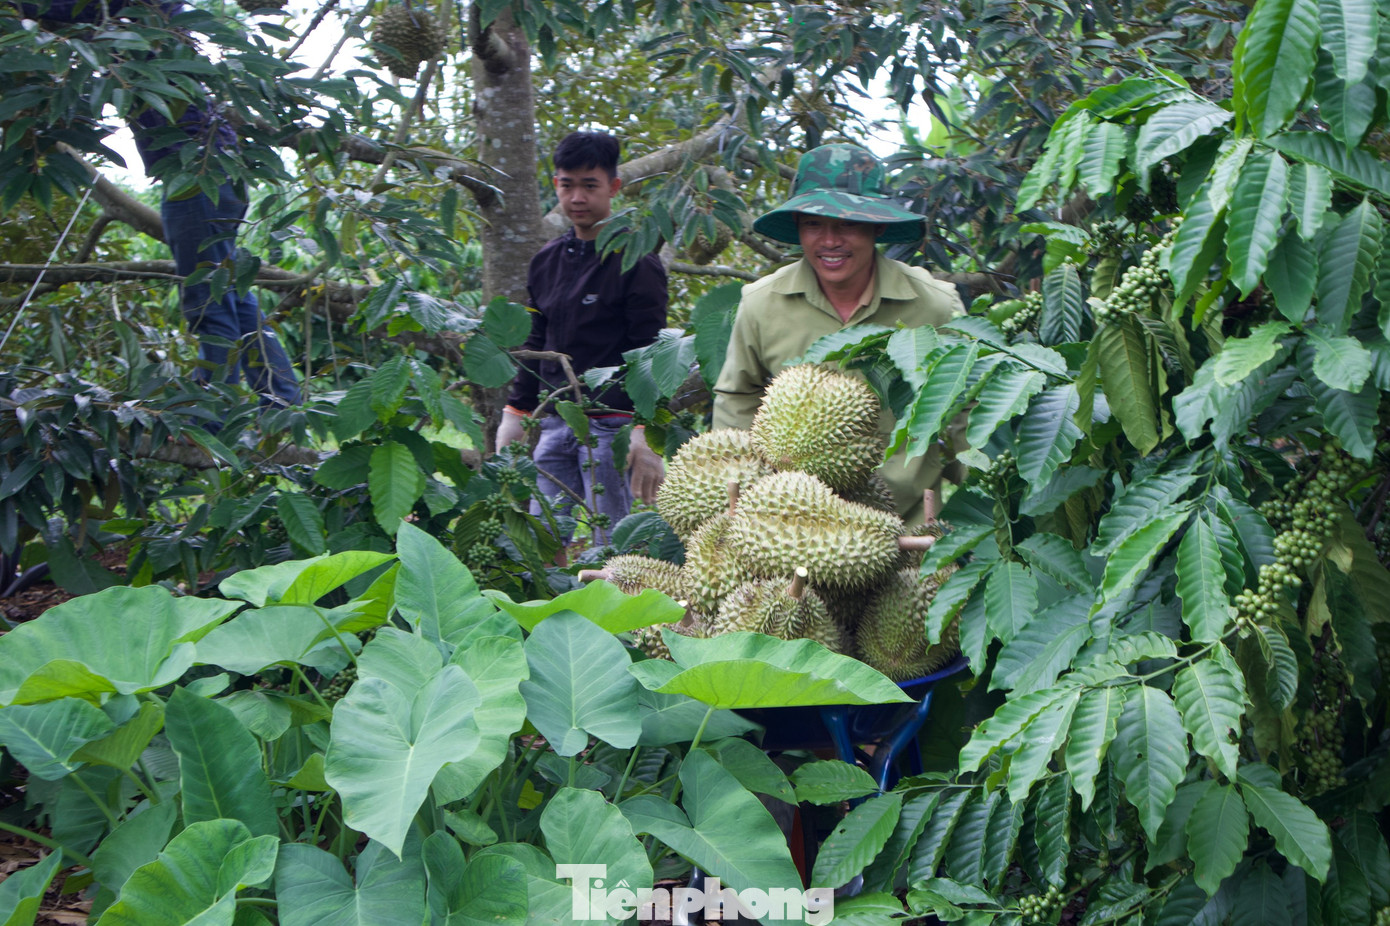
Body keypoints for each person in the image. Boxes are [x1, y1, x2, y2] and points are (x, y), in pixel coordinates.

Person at [15, 0, 303, 407]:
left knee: (207, 304)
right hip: (218, 174)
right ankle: (283, 403)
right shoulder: (158, 31)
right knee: (232, 297)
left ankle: (209, 415)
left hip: (197, 178)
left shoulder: (145, 15)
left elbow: (76, 9)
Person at [712, 143, 964, 523]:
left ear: (877, 226)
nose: (830, 241)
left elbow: (965, 412)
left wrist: (993, 499)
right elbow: (737, 400)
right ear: (798, 227)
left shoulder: (936, 306)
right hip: (791, 526)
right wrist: (737, 502)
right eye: (814, 224)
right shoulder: (761, 304)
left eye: (848, 224)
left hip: (908, 522)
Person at [496, 131, 667, 543]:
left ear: (613, 187)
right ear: (555, 184)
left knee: (611, 542)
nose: (576, 198)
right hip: (557, 421)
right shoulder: (546, 261)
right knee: (542, 533)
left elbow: (650, 352)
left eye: (589, 186)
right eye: (567, 185)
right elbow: (537, 341)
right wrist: (516, 412)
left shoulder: (637, 261)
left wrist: (645, 432)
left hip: (614, 426)